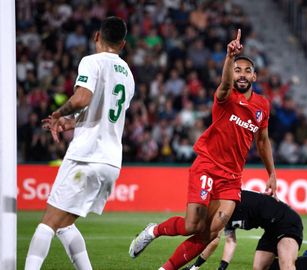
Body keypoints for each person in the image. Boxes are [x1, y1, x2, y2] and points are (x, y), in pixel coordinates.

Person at [129, 29, 277, 270]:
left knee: (211, 232)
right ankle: (154, 230)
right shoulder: (226, 96)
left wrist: (271, 173)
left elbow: (262, 141)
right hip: (207, 166)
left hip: (231, 178)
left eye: (246, 71)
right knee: (193, 226)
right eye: (237, 70)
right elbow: (225, 84)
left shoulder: (262, 105)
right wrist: (229, 57)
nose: (241, 74)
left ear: (255, 77)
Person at [25, 17, 134, 270]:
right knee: (64, 224)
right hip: (110, 162)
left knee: (48, 222)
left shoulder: (91, 61)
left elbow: (82, 98)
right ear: (123, 44)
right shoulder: (128, 74)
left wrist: (58, 114)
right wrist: (71, 122)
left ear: (97, 36)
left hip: (87, 156)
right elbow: (105, 112)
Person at [183, 190, 307, 270]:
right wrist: (222, 268)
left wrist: (195, 267)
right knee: (259, 268)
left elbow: (213, 240)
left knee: (287, 267)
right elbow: (230, 241)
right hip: (271, 230)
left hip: (285, 222)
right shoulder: (224, 215)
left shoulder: (231, 203)